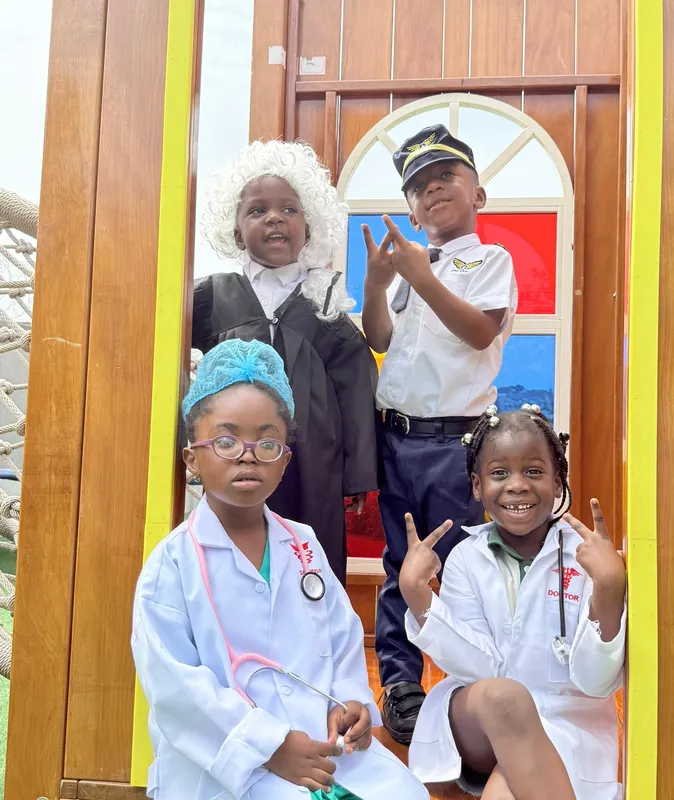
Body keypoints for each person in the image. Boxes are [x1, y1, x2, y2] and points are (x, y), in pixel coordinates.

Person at [131, 339, 427, 800]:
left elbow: (342, 639)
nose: (247, 455)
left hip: (321, 739)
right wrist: (268, 747)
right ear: (192, 458)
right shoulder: (172, 565)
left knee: (405, 793)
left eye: (266, 442)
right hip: (228, 760)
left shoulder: (304, 545)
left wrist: (350, 702)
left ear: (285, 460)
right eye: (226, 440)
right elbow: (175, 689)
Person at [360, 124, 518, 742]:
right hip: (395, 439)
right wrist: (378, 285)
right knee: (401, 561)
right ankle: (400, 683)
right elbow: (380, 341)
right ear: (410, 208)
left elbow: (479, 332)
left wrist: (421, 275)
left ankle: (470, 689)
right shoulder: (407, 276)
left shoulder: (489, 260)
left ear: (478, 193)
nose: (432, 193)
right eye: (418, 188)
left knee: (461, 566)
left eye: (446, 177)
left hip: (455, 445)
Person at [398, 404, 627, 800]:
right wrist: (420, 599)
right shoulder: (466, 558)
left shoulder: (589, 558)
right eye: (499, 473)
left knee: (507, 790)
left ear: (559, 483)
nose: (517, 485)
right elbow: (478, 668)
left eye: (534, 471)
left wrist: (607, 589)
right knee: (505, 697)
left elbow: (595, 683)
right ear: (476, 485)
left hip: (565, 724)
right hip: (479, 722)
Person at [193, 140, 378, 584]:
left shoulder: (325, 300)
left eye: (289, 210)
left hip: (314, 457)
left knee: (310, 554)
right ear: (237, 232)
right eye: (257, 210)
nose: (274, 217)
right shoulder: (211, 296)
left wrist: (357, 476)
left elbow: (355, 385)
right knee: (232, 549)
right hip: (235, 452)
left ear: (309, 228)